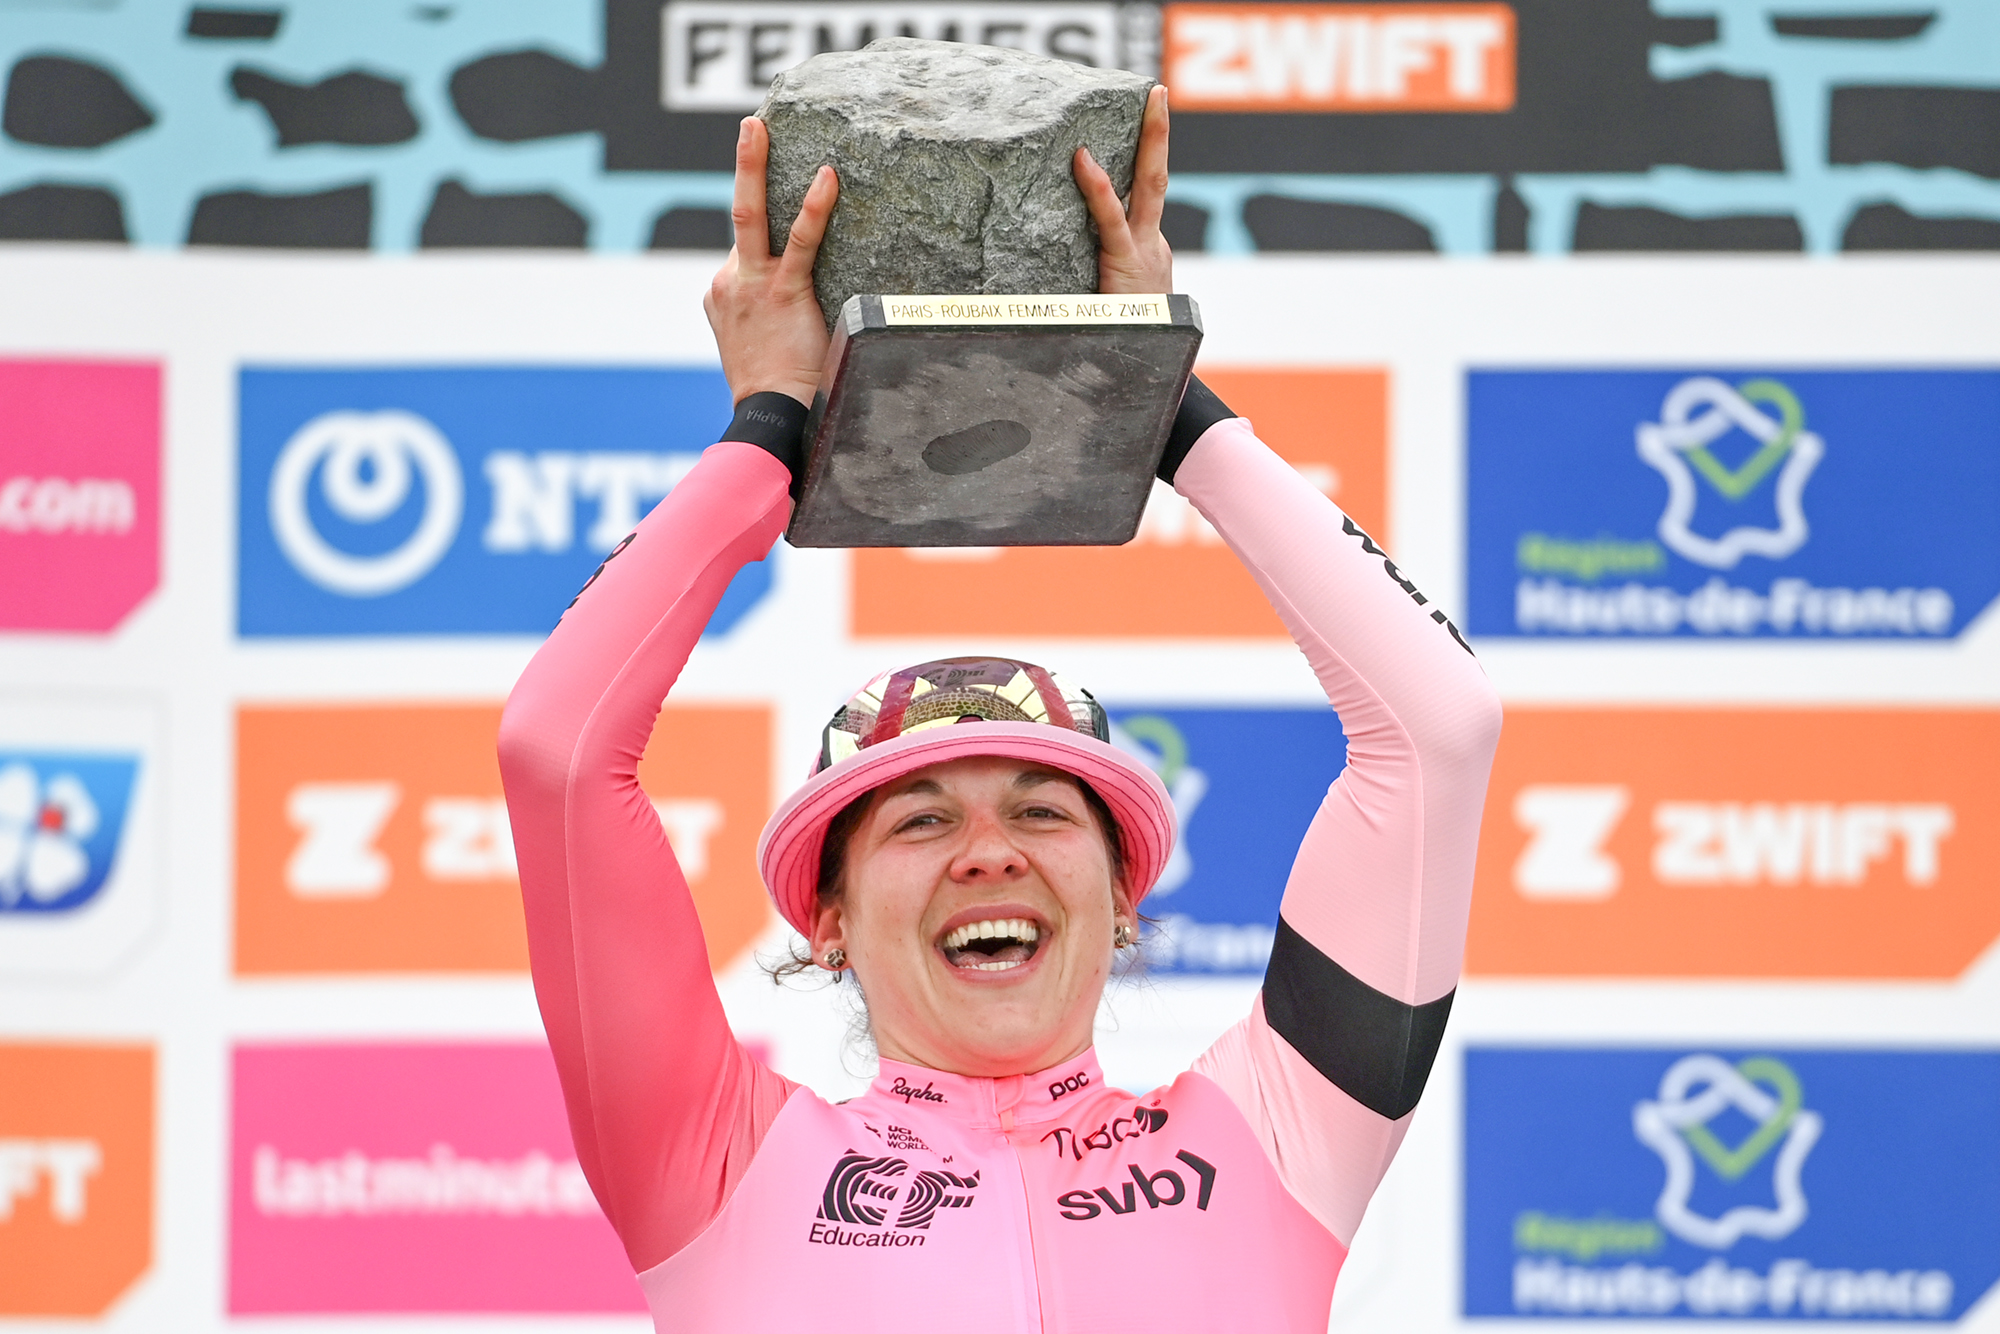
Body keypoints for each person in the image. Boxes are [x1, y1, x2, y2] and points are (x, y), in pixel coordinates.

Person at [498, 85, 1501, 1331]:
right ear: (827, 920)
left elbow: (1436, 724)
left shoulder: (1281, 1136)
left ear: (1122, 897)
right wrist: (765, 427)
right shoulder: (711, 1164)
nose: (989, 850)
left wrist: (1166, 401)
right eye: (916, 821)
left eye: (1040, 806)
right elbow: (555, 747)